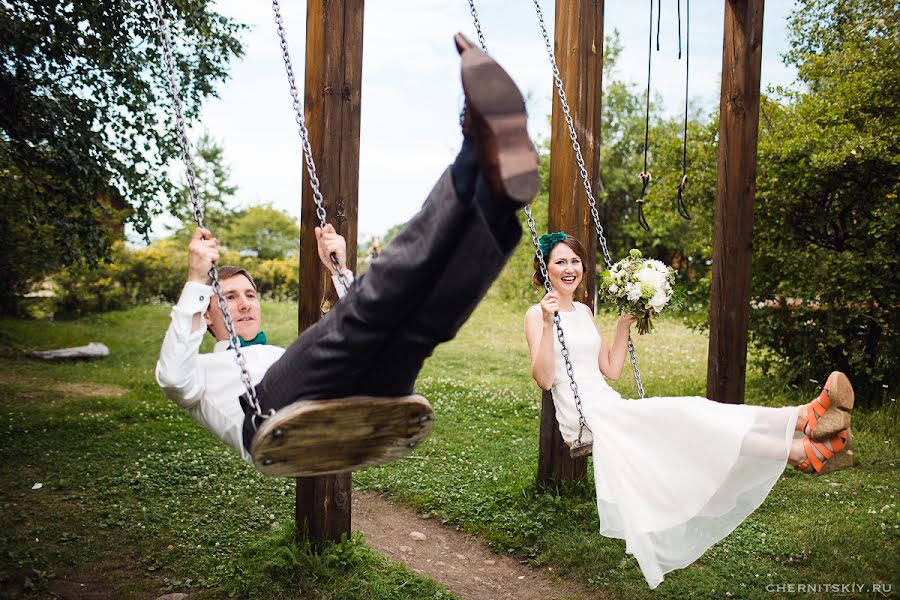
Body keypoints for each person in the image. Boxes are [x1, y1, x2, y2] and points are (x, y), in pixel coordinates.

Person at [156, 32, 540, 465]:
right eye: (228, 298)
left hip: (364, 398)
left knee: (421, 327)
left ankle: (495, 202)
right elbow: (171, 378)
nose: (244, 304)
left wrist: (339, 268)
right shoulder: (202, 373)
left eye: (249, 294)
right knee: (365, 315)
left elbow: (349, 333)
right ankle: (473, 152)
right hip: (266, 415)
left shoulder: (280, 355)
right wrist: (195, 281)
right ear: (208, 316)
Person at [523, 232, 856, 589]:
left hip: (609, 405)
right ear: (545, 270)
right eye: (560, 262)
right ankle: (803, 423)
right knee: (691, 414)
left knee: (699, 416)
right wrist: (545, 321)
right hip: (589, 421)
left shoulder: (585, 312)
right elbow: (544, 379)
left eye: (575, 261)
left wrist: (622, 325)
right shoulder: (536, 315)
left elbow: (611, 368)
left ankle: (803, 444)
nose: (570, 268)